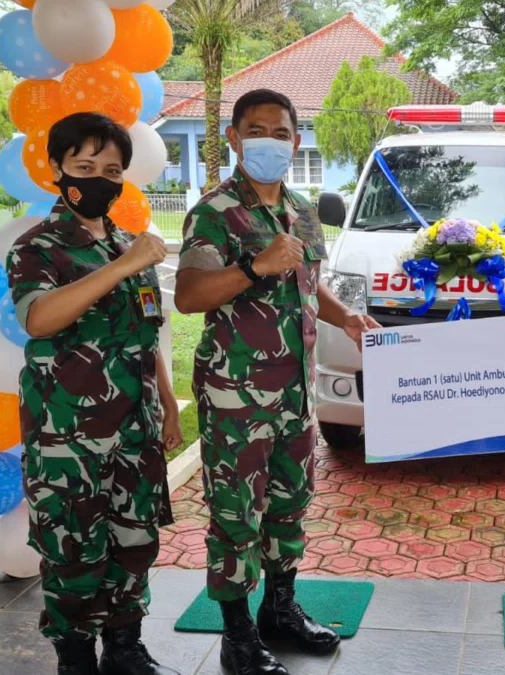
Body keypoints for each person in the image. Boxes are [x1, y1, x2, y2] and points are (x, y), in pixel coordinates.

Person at [173, 89, 381, 675]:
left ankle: (279, 611)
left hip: (294, 390)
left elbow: (307, 282)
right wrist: (253, 266)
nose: (271, 140)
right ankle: (237, 634)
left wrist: (346, 317)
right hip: (236, 393)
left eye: (282, 131)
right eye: (257, 130)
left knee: (289, 503)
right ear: (235, 138)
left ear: (295, 139)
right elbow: (190, 295)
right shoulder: (215, 212)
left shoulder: (302, 210)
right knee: (237, 512)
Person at [7, 112, 183, 675]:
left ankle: (126, 646)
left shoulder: (134, 246)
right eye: (85, 166)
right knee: (73, 548)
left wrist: (169, 401)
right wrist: (125, 265)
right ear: (57, 168)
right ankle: (76, 653)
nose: (99, 179)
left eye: (112, 169)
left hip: (135, 426)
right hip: (68, 434)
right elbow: (40, 319)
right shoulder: (37, 247)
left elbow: (146, 330)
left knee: (135, 539)